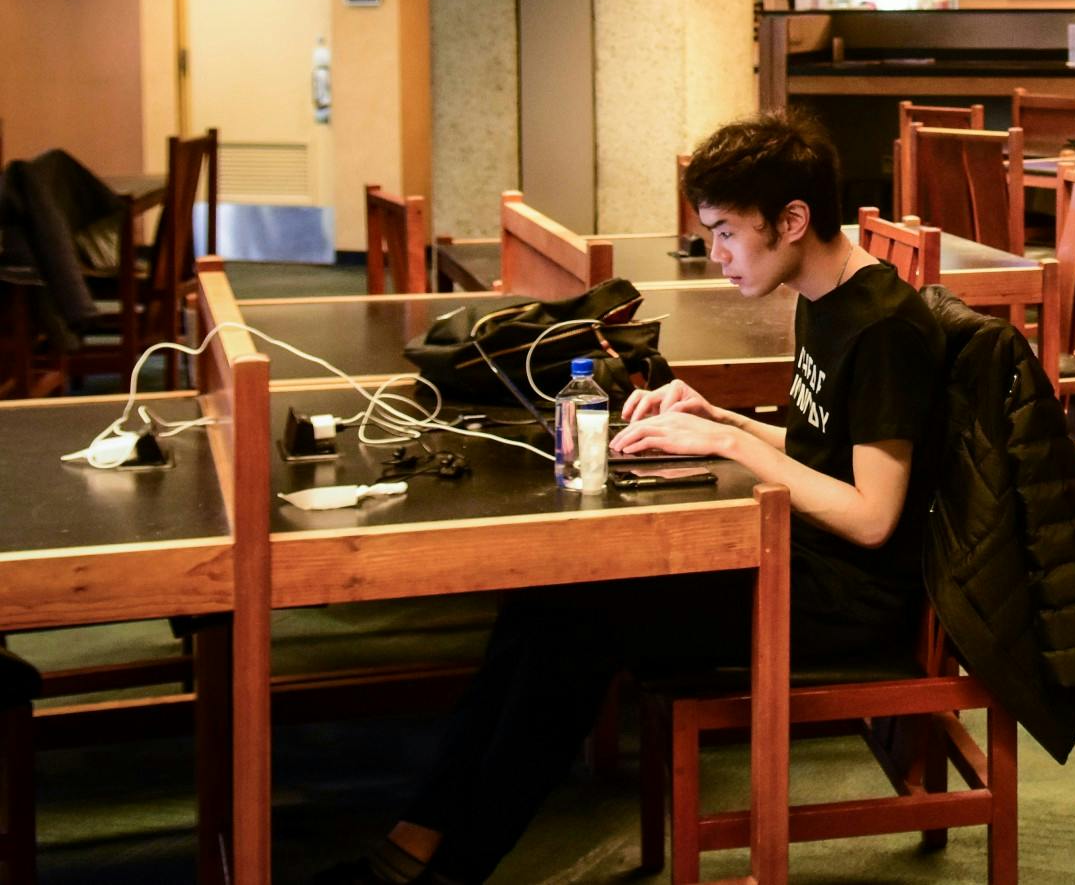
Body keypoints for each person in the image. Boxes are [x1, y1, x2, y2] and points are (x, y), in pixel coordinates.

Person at [318, 111, 944, 885]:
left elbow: (874, 514)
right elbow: (827, 455)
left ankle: (452, 867)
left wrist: (731, 443)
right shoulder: (825, 294)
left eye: (723, 232)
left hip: (845, 595)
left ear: (792, 220)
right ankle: (418, 836)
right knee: (546, 595)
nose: (714, 254)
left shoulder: (882, 326)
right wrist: (720, 415)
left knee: (582, 619)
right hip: (799, 559)